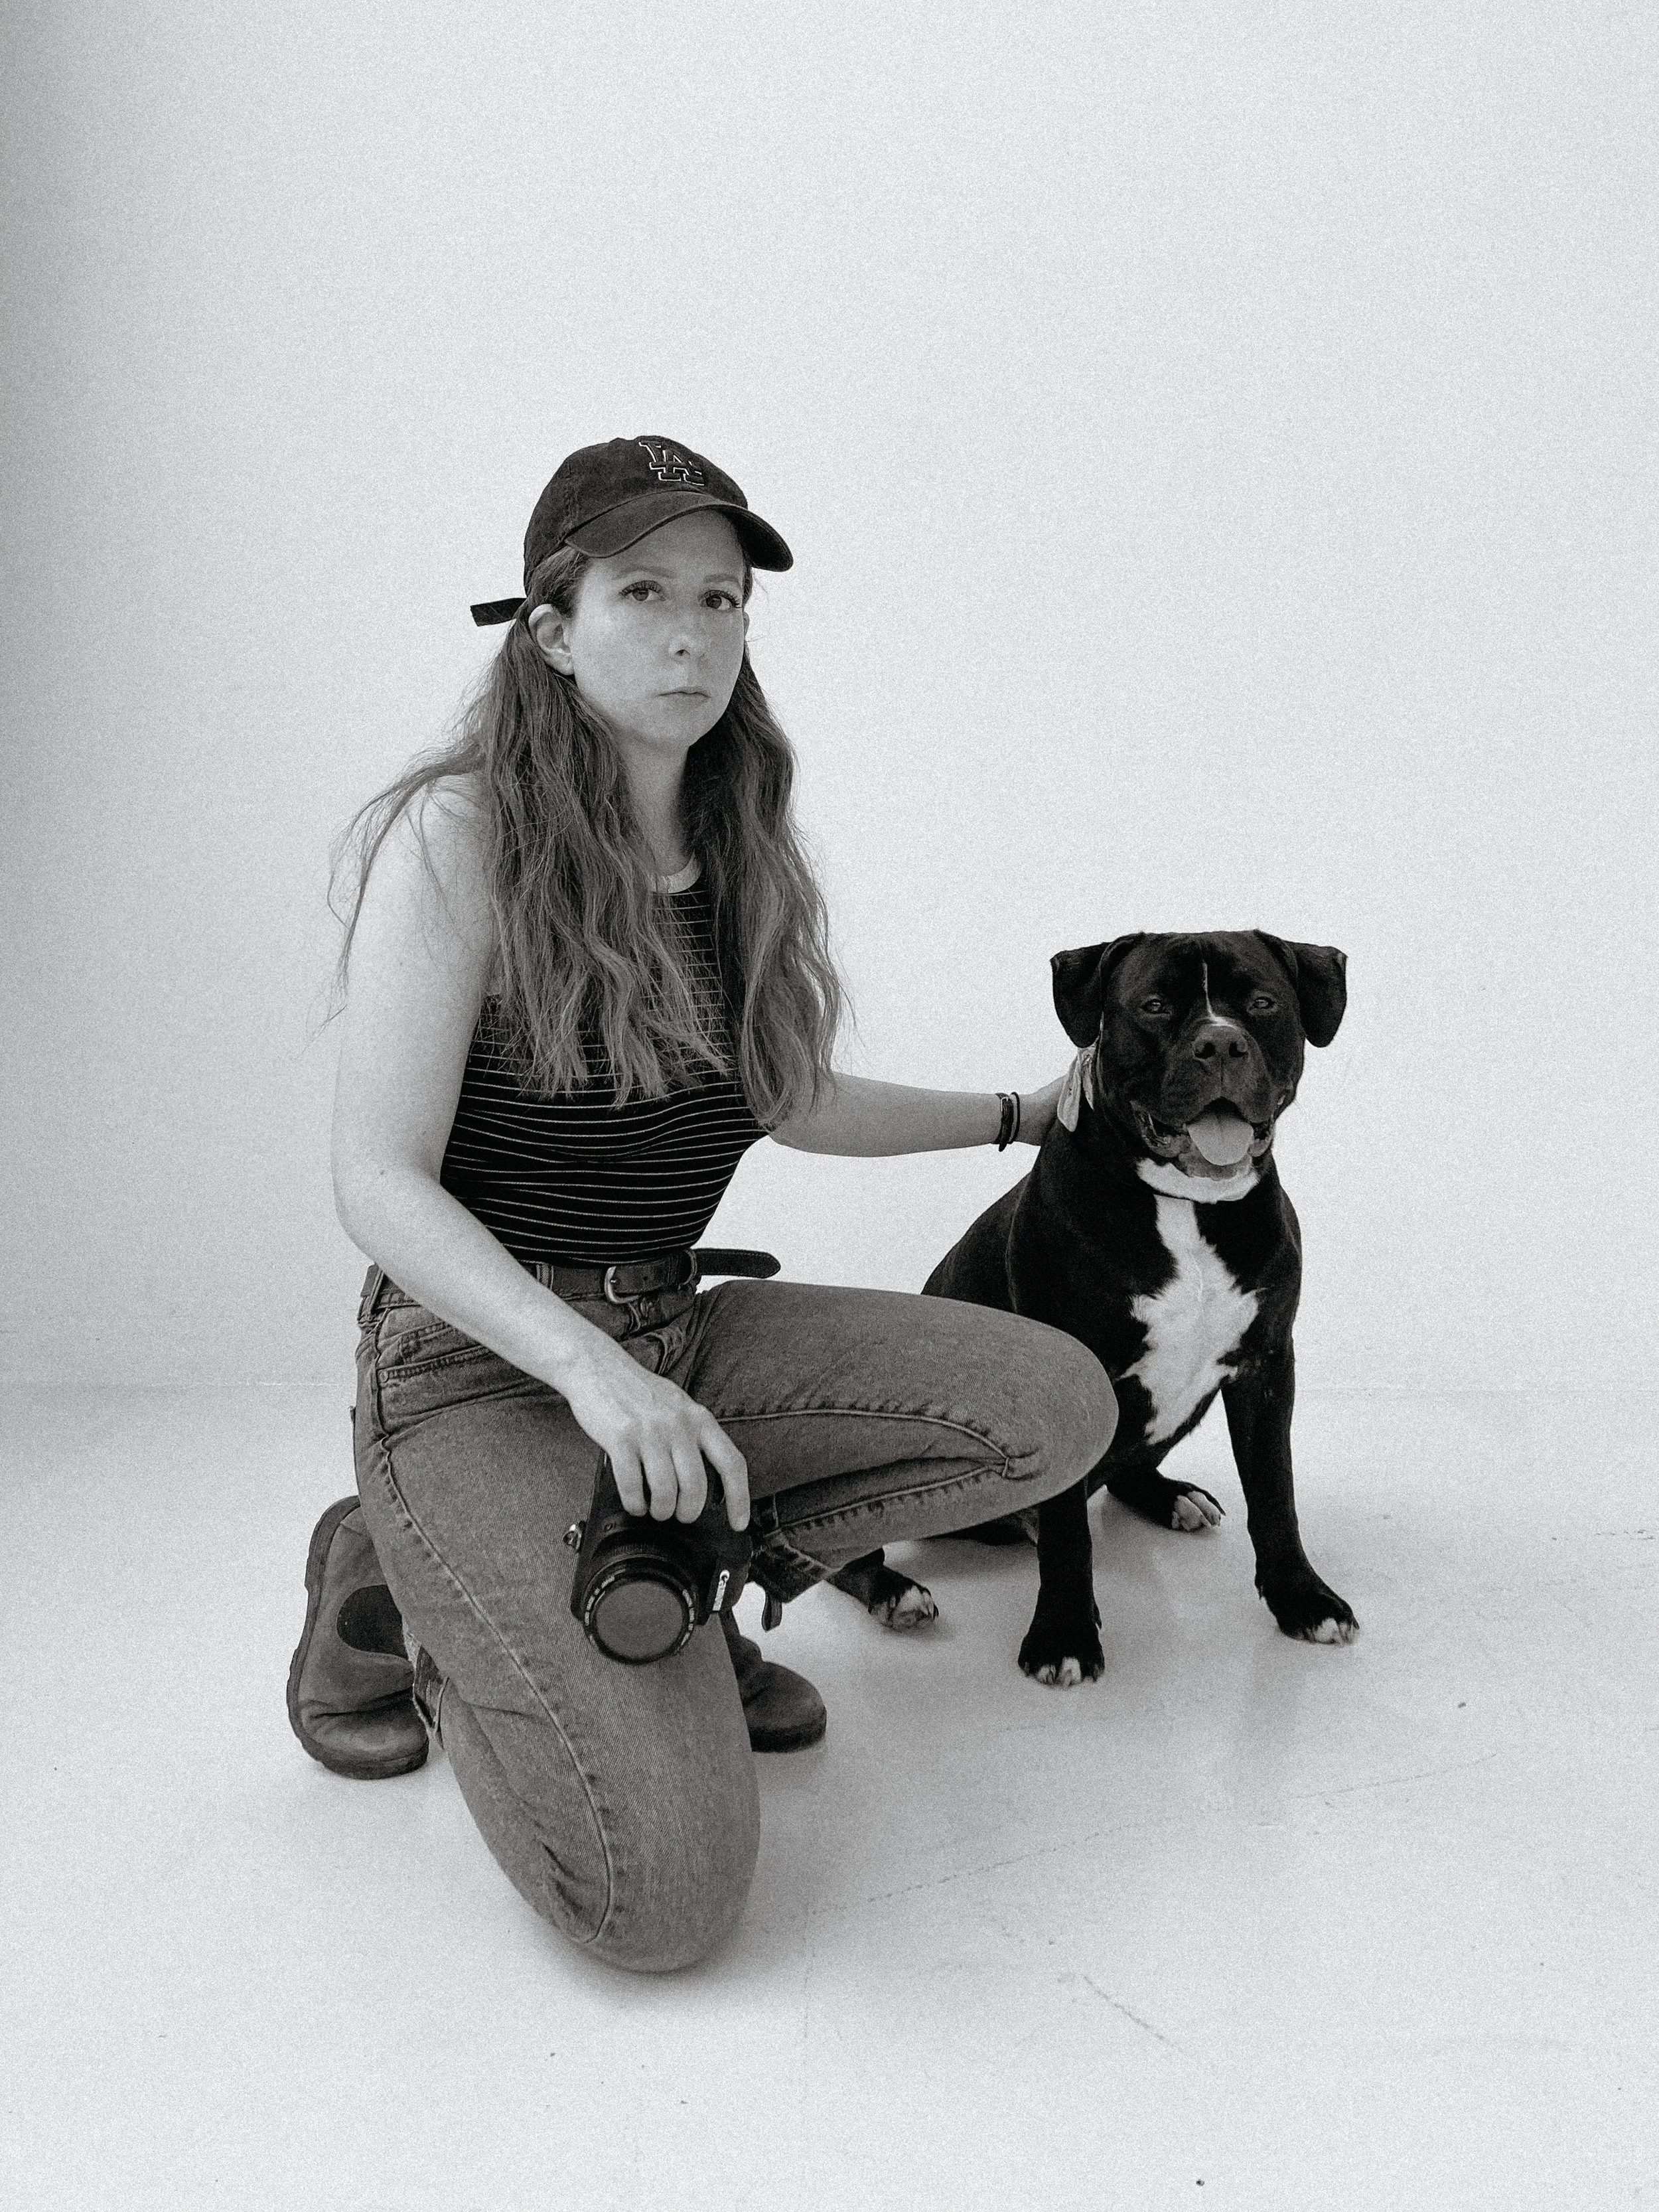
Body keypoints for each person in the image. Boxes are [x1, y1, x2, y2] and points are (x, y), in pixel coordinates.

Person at [287, 435, 1118, 1973]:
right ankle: (411, 1584)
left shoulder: (733, 838)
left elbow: (787, 1095)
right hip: (480, 1370)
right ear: (548, 625)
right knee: (660, 1909)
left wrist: (1012, 1116)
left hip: (671, 1336)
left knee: (1053, 1406)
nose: (690, 635)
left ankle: (679, 1569)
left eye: (722, 600)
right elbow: (375, 1180)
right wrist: (587, 1373)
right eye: (644, 592)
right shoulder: (461, 838)